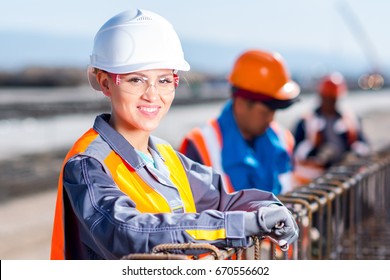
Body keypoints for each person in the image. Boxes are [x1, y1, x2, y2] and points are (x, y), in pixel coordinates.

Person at [50, 9, 299, 260]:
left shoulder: (165, 157)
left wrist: (268, 207)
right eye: (136, 80)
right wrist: (239, 226)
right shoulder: (87, 164)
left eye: (164, 80)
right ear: (105, 83)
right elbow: (128, 233)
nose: (152, 94)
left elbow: (224, 198)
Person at [179, 49, 300, 195]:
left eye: (274, 111)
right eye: (265, 112)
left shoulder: (283, 138)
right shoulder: (199, 144)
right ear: (241, 103)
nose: (270, 119)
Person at [292, 72, 371, 185]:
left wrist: (354, 153)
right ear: (321, 96)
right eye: (327, 98)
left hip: (344, 179)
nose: (330, 102)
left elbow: (364, 145)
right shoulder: (306, 121)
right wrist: (317, 153)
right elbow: (295, 152)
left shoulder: (350, 120)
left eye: (333, 99)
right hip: (315, 182)